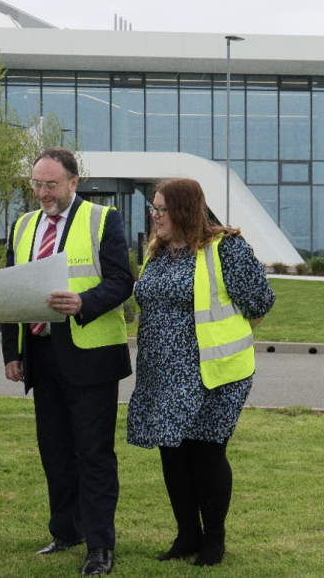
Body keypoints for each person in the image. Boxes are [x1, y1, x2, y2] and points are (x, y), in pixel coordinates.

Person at [126, 178, 274, 567]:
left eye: (161, 209)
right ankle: (187, 535)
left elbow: (260, 302)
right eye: (153, 209)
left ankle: (215, 543)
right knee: (173, 454)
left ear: (185, 211)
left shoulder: (226, 249)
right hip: (162, 374)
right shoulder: (156, 253)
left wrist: (220, 339)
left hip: (215, 374)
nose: (154, 216)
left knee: (207, 454)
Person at [2, 147, 134, 577]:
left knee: (93, 454)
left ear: (74, 183)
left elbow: (121, 281)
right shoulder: (23, 226)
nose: (42, 192)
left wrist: (83, 302)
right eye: (37, 184)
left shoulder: (102, 219)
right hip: (41, 355)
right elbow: (10, 292)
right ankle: (65, 531)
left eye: (51, 185)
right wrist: (13, 352)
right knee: (55, 451)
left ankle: (99, 546)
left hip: (90, 356)